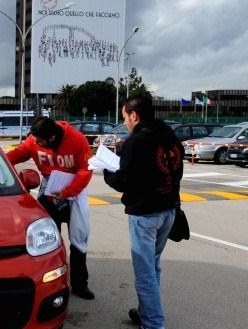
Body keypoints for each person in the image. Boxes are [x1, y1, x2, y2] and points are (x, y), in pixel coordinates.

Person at [103, 95, 183, 329]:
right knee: (153, 266)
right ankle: (146, 312)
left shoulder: (136, 142)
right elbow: (177, 170)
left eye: (125, 117)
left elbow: (123, 180)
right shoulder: (168, 134)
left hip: (145, 215)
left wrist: (107, 170)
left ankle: (154, 323)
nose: (125, 122)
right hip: (169, 210)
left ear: (134, 115)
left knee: (145, 273)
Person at [6, 117, 95, 300]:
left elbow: (86, 171)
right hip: (48, 190)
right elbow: (18, 154)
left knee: (79, 239)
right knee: (45, 239)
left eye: (40, 141)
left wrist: (68, 192)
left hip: (74, 192)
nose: (36, 143)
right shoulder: (34, 140)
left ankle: (79, 284)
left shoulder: (77, 140)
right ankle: (50, 284)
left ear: (52, 137)